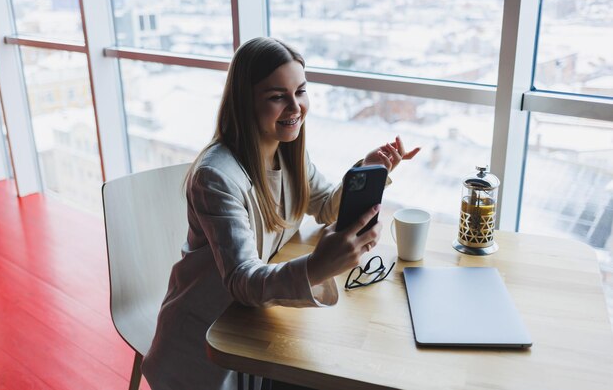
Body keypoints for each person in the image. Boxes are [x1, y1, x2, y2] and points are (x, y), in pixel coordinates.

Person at [141, 37, 420, 390]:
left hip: (254, 323)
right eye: (277, 96)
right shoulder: (216, 177)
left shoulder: (287, 153)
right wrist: (319, 266)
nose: (296, 107)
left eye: (300, 91)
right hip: (207, 340)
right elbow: (242, 281)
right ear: (245, 102)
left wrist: (368, 171)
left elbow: (323, 205)